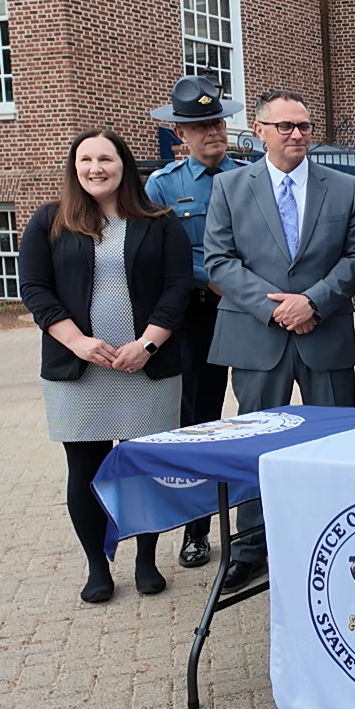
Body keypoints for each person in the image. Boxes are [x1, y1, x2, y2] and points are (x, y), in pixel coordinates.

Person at [18, 129, 192, 603]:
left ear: (124, 165)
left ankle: (146, 560)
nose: (95, 168)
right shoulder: (49, 221)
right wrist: (76, 342)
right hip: (79, 371)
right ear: (74, 168)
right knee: (85, 471)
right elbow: (34, 288)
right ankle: (97, 565)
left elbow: (178, 288)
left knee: (144, 470)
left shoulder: (160, 223)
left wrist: (148, 344)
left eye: (106, 159)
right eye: (86, 159)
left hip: (146, 370)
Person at [205, 90, 355, 593]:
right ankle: (250, 548)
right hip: (257, 337)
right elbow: (219, 261)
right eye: (285, 126)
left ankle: (336, 542)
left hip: (324, 332)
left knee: (335, 444)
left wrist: (312, 302)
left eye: (304, 126)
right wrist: (277, 307)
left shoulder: (347, 188)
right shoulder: (230, 186)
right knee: (256, 445)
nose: (297, 134)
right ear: (260, 131)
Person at [143, 75, 251, 571]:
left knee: (254, 415)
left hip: (247, 309)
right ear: (179, 134)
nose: (214, 133)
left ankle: (254, 526)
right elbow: (159, 257)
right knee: (200, 422)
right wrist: (213, 279)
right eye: (202, 126)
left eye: (218, 123)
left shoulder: (249, 177)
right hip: (196, 314)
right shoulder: (163, 185)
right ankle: (196, 530)